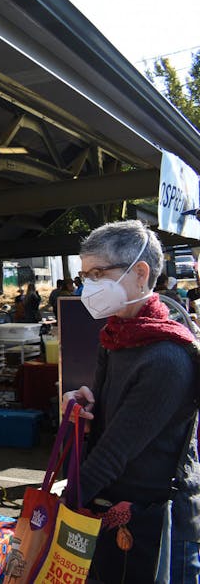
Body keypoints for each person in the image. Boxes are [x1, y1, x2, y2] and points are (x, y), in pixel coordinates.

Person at [63, 220, 200, 583]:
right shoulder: (117, 336)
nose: (87, 287)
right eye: (84, 276)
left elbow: (113, 453)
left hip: (155, 522)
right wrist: (85, 406)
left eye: (97, 273)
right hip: (112, 507)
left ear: (141, 273)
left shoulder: (167, 357)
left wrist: (58, 507)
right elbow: (109, 423)